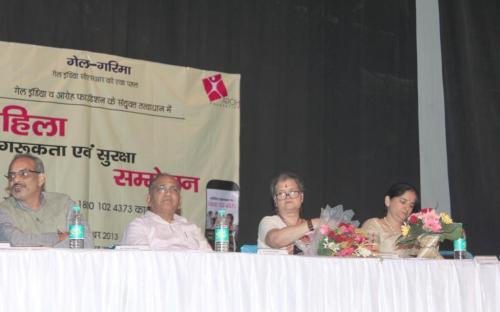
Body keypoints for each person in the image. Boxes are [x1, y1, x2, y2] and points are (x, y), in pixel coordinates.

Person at [0, 154, 94, 248]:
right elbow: (16, 241)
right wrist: (59, 237)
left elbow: (85, 242)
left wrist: (42, 251)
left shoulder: (64, 203)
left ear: (41, 179)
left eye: (24, 174)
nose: (15, 179)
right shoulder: (3, 210)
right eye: (11, 175)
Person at [121, 172, 212, 251]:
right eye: (161, 188)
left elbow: (210, 260)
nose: (168, 193)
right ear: (149, 199)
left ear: (180, 201)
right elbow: (143, 260)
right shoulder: (139, 226)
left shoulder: (193, 228)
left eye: (174, 189)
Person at [257, 172, 320, 254]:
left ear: (301, 197)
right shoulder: (268, 221)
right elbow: (276, 240)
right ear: (275, 201)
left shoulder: (316, 228)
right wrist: (313, 224)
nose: (288, 197)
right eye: (281, 193)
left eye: (293, 192)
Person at [361, 182, 418, 257]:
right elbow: (369, 257)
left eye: (411, 205)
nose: (407, 208)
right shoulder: (374, 225)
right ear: (387, 201)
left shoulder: (413, 231)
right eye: (403, 202)